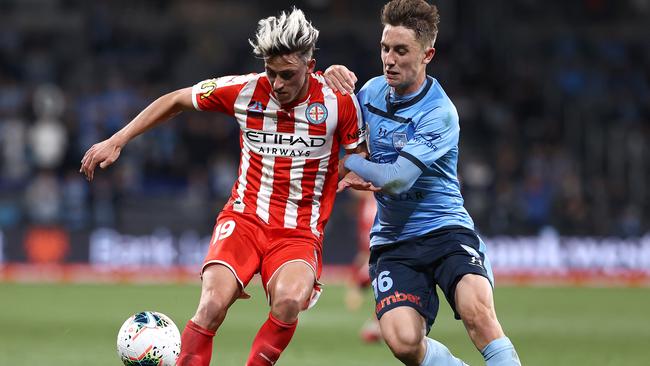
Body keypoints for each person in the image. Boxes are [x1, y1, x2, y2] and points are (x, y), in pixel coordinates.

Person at [80, 8, 366, 366]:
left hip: (298, 232)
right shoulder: (246, 90)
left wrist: (353, 170)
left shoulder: (338, 102)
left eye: (287, 75)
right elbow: (176, 100)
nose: (277, 84)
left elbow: (359, 155)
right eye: (271, 72)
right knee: (211, 304)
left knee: (290, 302)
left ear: (310, 66)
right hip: (244, 219)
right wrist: (118, 140)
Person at [326, 1, 522, 365]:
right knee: (403, 342)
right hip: (394, 241)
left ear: (427, 53)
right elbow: (323, 117)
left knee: (477, 313)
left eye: (402, 51)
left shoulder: (439, 112)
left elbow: (397, 180)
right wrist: (328, 78)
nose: (390, 59)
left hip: (446, 230)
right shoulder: (368, 94)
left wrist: (350, 161)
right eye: (385, 48)